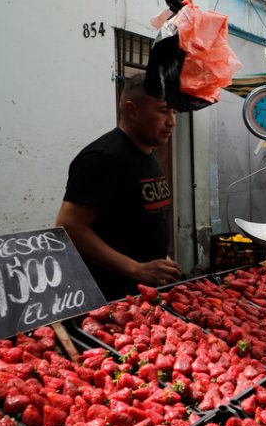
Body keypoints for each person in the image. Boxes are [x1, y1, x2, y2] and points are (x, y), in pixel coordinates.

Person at [56, 74, 181, 300]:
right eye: (164, 111)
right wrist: (135, 268)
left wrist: (159, 259)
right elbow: (69, 226)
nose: (172, 121)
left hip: (143, 295)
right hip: (109, 299)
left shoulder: (148, 153)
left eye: (174, 112)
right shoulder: (103, 158)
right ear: (132, 111)